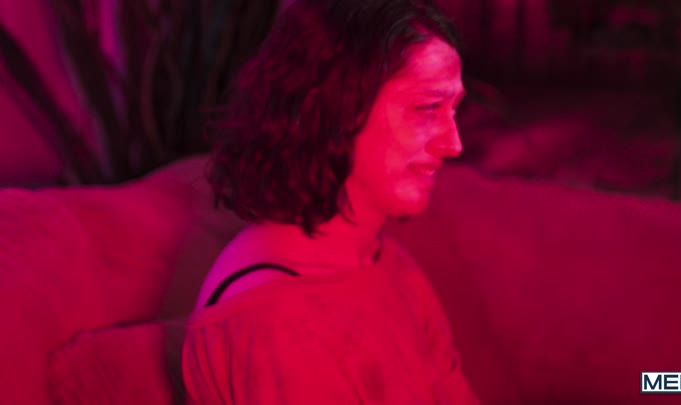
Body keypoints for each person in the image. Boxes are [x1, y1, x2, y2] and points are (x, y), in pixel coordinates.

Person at [182, 0, 479, 403]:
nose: (454, 144)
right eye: (427, 108)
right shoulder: (271, 313)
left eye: (453, 109)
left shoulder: (393, 267)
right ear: (336, 108)